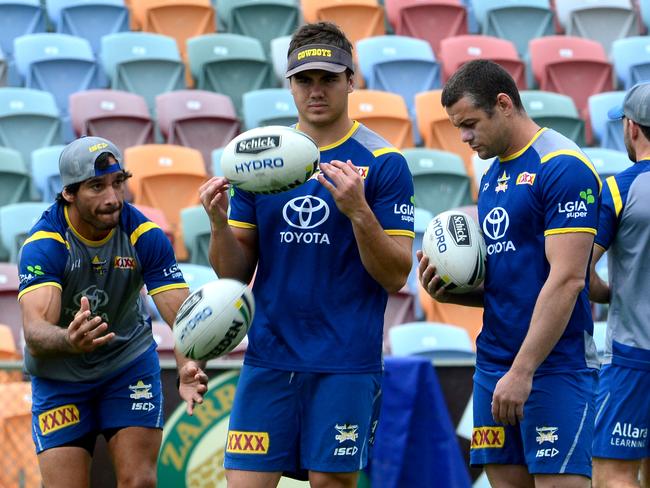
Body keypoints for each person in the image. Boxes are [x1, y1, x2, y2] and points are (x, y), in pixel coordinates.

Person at [199, 21, 414, 488]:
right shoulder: (259, 160)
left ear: (351, 80)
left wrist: (359, 212)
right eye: (304, 80)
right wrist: (217, 224)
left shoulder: (384, 162)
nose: (316, 91)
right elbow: (234, 273)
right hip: (270, 356)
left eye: (328, 78)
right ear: (290, 84)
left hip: (345, 360)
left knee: (329, 483)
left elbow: (396, 275)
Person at [418, 60, 601, 487]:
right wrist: (453, 293)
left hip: (555, 369)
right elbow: (513, 284)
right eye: (457, 127)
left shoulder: (562, 166)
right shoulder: (493, 174)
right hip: (493, 366)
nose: (463, 138)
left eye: (469, 124)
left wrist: (522, 371)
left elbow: (568, 279)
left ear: (503, 104)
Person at [17, 136, 208, 488]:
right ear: (69, 193)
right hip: (60, 375)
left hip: (126, 364)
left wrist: (187, 365)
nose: (112, 197)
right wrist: (69, 339)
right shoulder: (45, 244)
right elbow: (35, 333)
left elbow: (182, 315)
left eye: (118, 182)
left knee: (140, 481)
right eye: (97, 186)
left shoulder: (144, 235)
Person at [588, 82, 650, 488]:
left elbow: (580, 272)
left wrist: (610, 293)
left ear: (631, 128)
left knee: (613, 473)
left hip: (633, 355)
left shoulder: (618, 189)